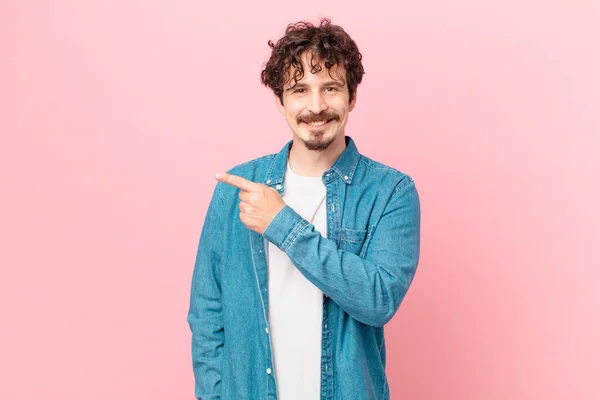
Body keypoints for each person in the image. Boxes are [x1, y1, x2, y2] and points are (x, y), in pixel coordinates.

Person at [187, 18, 421, 400]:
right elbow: (207, 314)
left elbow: (379, 299)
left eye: (330, 88)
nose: (316, 106)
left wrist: (282, 223)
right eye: (299, 90)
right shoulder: (236, 189)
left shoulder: (391, 192)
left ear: (352, 97)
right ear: (280, 101)